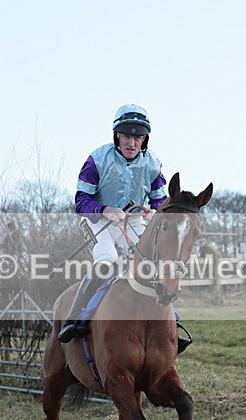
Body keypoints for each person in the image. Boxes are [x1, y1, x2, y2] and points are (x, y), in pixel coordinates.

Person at [57, 104, 192, 352]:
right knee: (108, 259)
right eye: (127, 136)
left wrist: (155, 210)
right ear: (117, 135)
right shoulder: (96, 159)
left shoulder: (153, 164)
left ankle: (173, 321)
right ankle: (75, 318)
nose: (132, 143)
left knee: (151, 262)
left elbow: (160, 199)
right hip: (98, 219)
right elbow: (81, 200)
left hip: (134, 219)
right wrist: (105, 210)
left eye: (137, 137)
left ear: (145, 139)